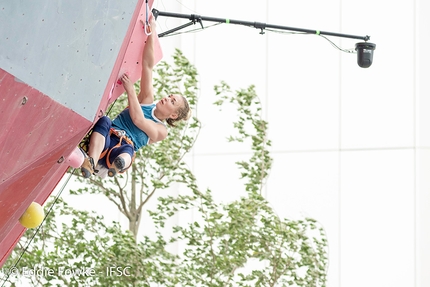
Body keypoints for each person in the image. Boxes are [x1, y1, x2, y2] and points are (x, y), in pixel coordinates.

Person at [80, 18, 191, 178]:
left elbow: (138, 120)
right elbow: (147, 66)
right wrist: (151, 32)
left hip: (120, 150)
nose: (166, 98)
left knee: (128, 151)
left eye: (172, 101)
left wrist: (131, 91)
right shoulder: (147, 99)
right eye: (169, 96)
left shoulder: (161, 131)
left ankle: (118, 165)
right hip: (106, 139)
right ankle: (91, 162)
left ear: (173, 115)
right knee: (104, 120)